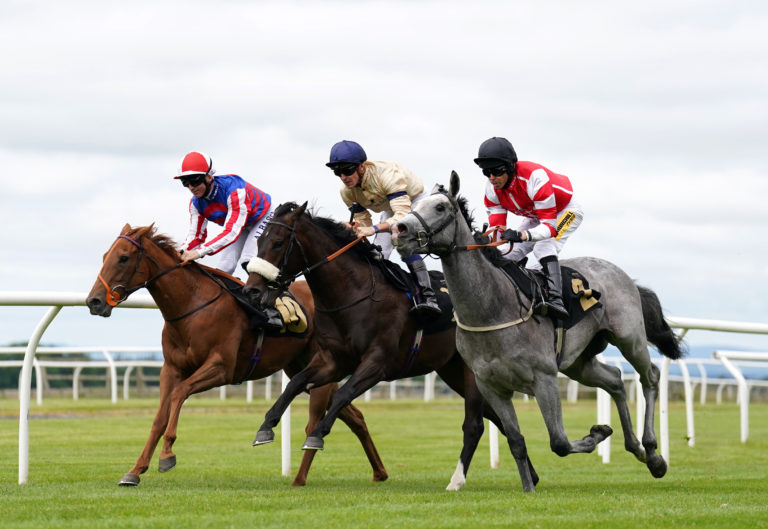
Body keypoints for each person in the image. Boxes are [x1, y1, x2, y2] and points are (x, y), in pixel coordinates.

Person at [325, 140, 441, 317]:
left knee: (399, 236)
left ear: (361, 167)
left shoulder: (388, 175)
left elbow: (402, 216)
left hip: (416, 200)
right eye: (337, 172)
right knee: (378, 252)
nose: (343, 177)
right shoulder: (346, 192)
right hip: (390, 208)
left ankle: (428, 296)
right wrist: (355, 228)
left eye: (347, 170)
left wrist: (373, 228)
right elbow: (363, 222)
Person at [474, 137, 583, 320]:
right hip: (536, 217)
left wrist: (522, 235)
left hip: (564, 211)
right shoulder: (492, 189)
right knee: (507, 254)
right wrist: (489, 242)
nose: (491, 178)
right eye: (486, 172)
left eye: (496, 171)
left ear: (510, 167)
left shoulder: (534, 178)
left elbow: (548, 228)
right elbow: (498, 230)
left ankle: (556, 300)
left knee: (543, 246)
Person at [174, 151, 282, 328]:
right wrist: (182, 251)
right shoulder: (195, 203)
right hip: (241, 224)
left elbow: (232, 231)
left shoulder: (234, 189)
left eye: (195, 180)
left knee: (249, 260)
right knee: (223, 269)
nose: (191, 187)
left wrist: (199, 253)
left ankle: (273, 308)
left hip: (262, 217)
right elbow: (196, 237)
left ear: (209, 177)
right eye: (186, 182)